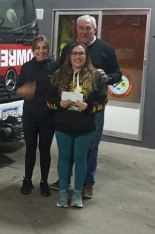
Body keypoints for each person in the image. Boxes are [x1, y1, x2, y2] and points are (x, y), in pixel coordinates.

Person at [51, 14, 122, 199]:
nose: (83, 31)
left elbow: (118, 74)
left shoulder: (105, 49)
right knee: (68, 146)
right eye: (80, 27)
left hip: (91, 108)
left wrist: (108, 77)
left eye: (88, 28)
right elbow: (59, 71)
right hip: (69, 107)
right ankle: (65, 180)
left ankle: (87, 183)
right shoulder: (68, 48)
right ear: (77, 29)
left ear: (95, 28)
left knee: (90, 146)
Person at [47, 42, 107, 208]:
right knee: (64, 158)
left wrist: (89, 107)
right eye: (75, 53)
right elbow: (49, 100)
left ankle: (78, 194)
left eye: (81, 53)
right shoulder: (59, 75)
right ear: (69, 56)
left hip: (84, 127)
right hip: (63, 126)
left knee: (81, 159)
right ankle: (63, 193)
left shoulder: (96, 76)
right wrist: (59, 105)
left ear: (86, 56)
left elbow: (102, 101)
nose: (78, 56)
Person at [16, 35, 58, 196]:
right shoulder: (26, 67)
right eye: (38, 48)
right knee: (30, 149)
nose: (41, 51)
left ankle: (44, 182)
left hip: (48, 116)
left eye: (44, 48)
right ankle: (27, 180)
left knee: (45, 149)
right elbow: (18, 88)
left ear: (48, 49)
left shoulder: (55, 66)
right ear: (33, 50)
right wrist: (22, 90)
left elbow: (60, 89)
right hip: (30, 115)